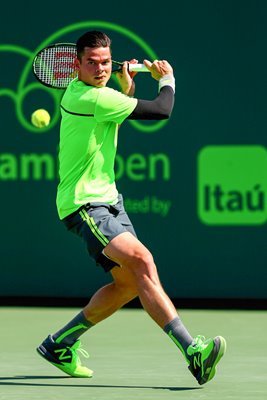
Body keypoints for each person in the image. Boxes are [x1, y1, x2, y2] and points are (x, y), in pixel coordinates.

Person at [37, 30, 226, 385]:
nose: (100, 68)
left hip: (109, 200)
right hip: (83, 204)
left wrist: (128, 88)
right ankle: (193, 353)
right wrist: (167, 79)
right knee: (143, 261)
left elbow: (116, 110)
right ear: (75, 65)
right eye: (91, 63)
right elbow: (161, 110)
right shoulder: (90, 96)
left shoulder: (100, 95)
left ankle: (59, 344)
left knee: (126, 285)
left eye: (106, 62)